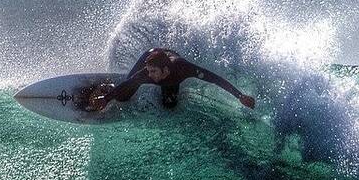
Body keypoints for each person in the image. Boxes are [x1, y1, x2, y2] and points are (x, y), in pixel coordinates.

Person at [88, 48, 255, 111]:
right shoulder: (147, 72)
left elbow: (214, 79)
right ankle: (108, 88)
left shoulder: (183, 69)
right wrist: (107, 98)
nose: (150, 75)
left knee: (169, 106)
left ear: (165, 70)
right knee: (124, 95)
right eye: (149, 72)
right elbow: (129, 83)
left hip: (168, 67)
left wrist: (239, 96)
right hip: (151, 54)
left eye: (153, 72)